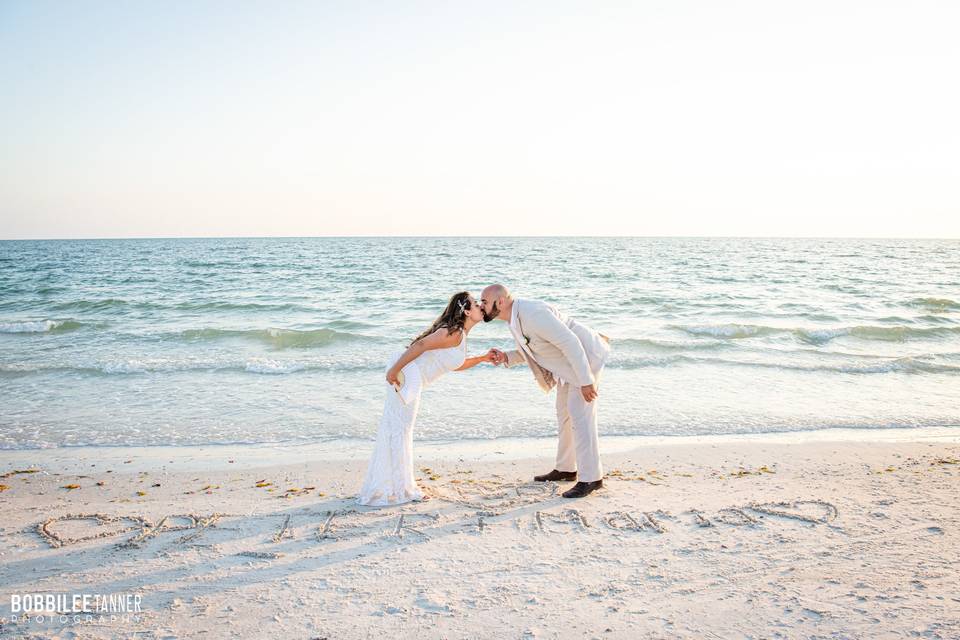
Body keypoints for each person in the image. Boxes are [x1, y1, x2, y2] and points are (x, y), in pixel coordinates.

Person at [356, 291, 498, 506]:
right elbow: (420, 346)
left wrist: (483, 358)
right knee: (398, 429)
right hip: (406, 374)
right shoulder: (454, 332)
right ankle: (397, 488)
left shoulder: (459, 335)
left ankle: (391, 484)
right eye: (476, 304)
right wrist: (395, 370)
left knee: (398, 428)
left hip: (410, 375)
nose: (480, 307)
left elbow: (455, 365)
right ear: (467, 311)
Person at [481, 284, 611, 498]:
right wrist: (506, 357)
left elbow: (571, 343)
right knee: (564, 414)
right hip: (568, 366)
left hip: (586, 359)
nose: (481, 305)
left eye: (485, 301)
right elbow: (535, 348)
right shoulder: (514, 318)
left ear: (500, 302)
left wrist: (587, 381)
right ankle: (566, 469)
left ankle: (592, 478)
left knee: (581, 416)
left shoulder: (533, 314)